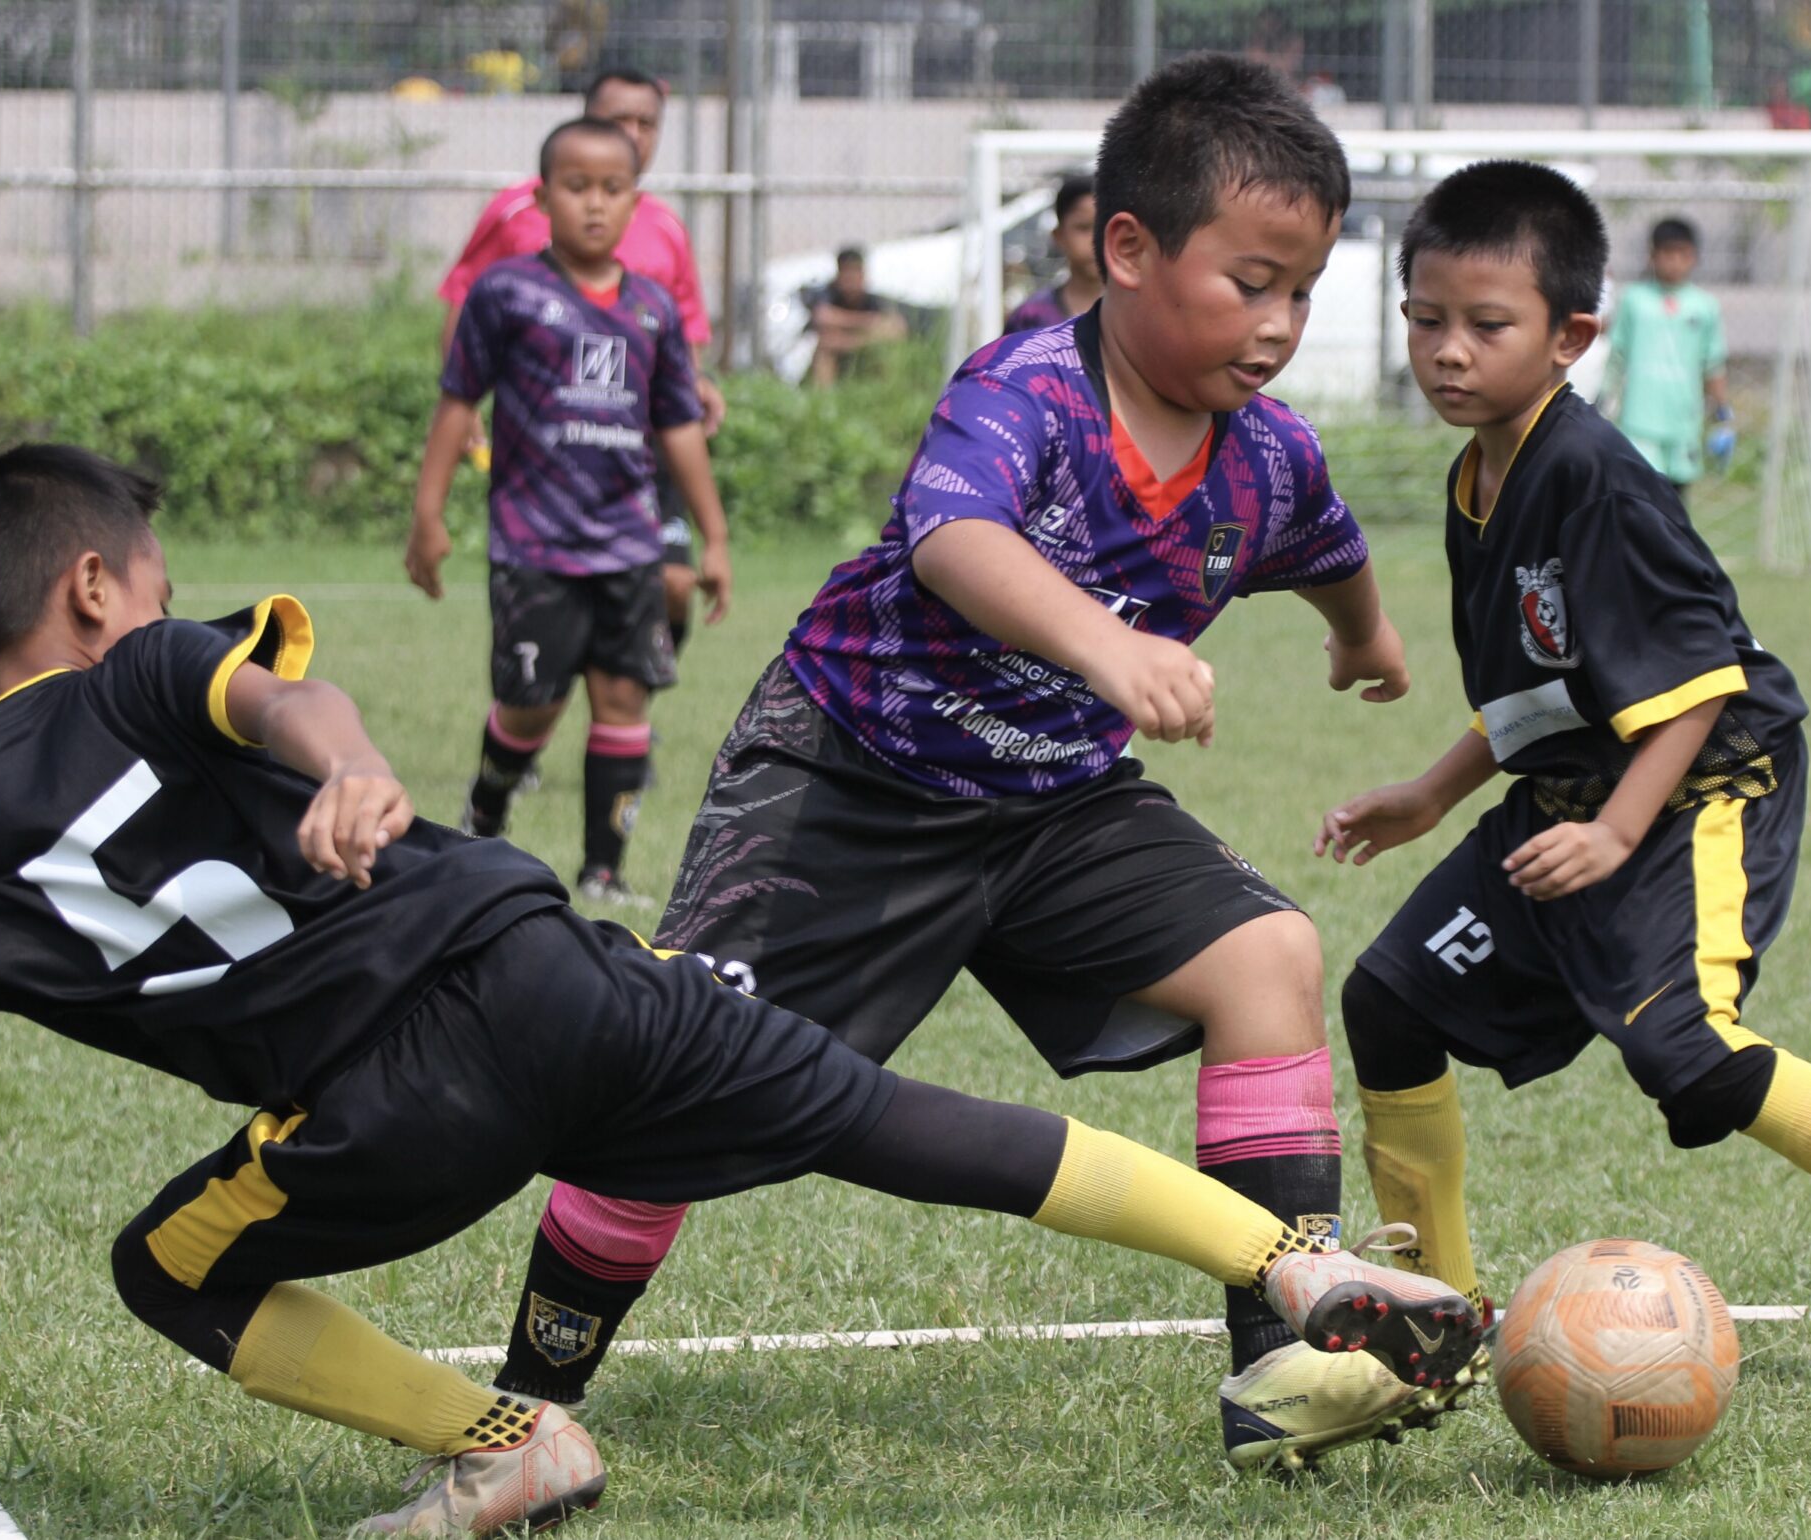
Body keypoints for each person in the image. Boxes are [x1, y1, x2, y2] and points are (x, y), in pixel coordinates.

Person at [0, 443, 1483, 1539]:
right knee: (889, 1118)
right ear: (97, 591)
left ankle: (507, 1443)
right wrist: (354, 767)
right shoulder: (151, 669)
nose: (158, 611)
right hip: (553, 968)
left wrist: (341, 759)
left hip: (389, 1113)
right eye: (152, 586)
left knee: (166, 1269)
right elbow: (289, 701)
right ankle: (1286, 1262)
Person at [486, 54, 1444, 1474]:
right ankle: (520, 1401)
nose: (1281, 324)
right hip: (847, 785)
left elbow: (1329, 552)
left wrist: (1365, 643)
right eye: (1251, 281)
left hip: (1054, 807)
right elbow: (957, 542)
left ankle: (1285, 1373)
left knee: (1269, 959)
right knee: (665, 1080)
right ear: (1125, 248)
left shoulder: (1270, 459)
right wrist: (1110, 652)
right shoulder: (1026, 392)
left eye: (1302, 291)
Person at [1316, 161, 1811, 1361]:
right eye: (1424, 320)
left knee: (1683, 1047)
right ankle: (1437, 1316)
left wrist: (1612, 834)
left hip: (1696, 790)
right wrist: (1433, 794)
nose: (1446, 350)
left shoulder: (1589, 473)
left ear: (1569, 335)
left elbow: (1696, 684)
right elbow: (1548, 682)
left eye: (1485, 325)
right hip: (1574, 793)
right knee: (1387, 1003)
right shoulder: (1477, 471)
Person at [407, 118, 731, 903]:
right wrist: (428, 512)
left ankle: (603, 872)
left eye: (611, 189)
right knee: (531, 710)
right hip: (534, 546)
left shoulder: (652, 310)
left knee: (624, 698)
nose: (594, 204)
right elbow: (458, 405)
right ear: (543, 195)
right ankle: (487, 809)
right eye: (576, 187)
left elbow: (679, 429)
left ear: (634, 202)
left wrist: (712, 536)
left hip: (630, 544)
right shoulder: (508, 293)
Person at [438, 68, 725, 663]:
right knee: (547, 658)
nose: (634, 133)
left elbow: (679, 333)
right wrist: (464, 400)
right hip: (550, 468)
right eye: (619, 118)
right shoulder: (521, 210)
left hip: (643, 458)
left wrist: (697, 383)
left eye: (647, 123)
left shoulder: (666, 227)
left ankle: (634, 694)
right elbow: (467, 301)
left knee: (675, 586)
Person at [1602, 216, 1730, 507]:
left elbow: (1713, 363)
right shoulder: (1635, 300)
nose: (1674, 262)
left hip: (1683, 419)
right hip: (1639, 418)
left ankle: (1669, 553)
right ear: (1653, 255)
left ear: (1693, 257)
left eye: (1682, 254)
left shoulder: (1704, 306)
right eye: (1667, 253)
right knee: (1637, 497)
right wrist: (1605, 398)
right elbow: (1617, 355)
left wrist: (1722, 413)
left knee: (1675, 501)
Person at [1002, 174, 1101, 336]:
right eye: (1083, 228)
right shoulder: (1030, 318)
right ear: (1058, 236)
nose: (1095, 241)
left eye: (1105, 228)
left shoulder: (1138, 312)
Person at [805, 246, 910, 384]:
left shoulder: (873, 300)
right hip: (835, 358)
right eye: (847, 274)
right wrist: (869, 323)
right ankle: (824, 401)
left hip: (863, 352)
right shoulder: (827, 294)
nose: (851, 281)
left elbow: (898, 329)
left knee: (889, 352)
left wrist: (848, 340)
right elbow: (823, 317)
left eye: (855, 273)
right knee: (824, 352)